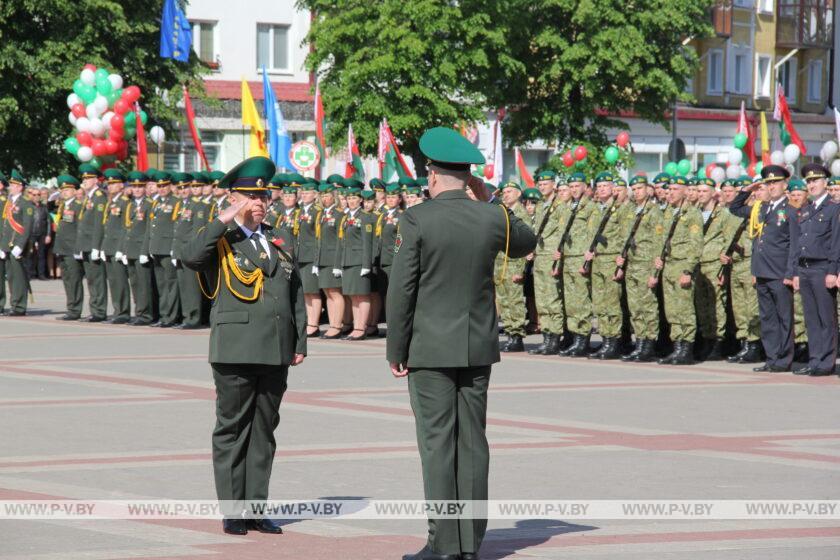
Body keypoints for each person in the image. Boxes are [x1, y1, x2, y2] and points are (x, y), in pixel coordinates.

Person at [386, 127, 536, 560]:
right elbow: (527, 242)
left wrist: (396, 349)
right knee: (473, 443)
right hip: (476, 347)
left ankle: (444, 543)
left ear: (432, 176)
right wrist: (490, 199)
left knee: (438, 443)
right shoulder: (491, 217)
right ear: (470, 177)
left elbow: (402, 291)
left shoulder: (416, 218)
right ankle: (470, 543)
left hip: (428, 348)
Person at [182, 156, 306, 536]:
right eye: (250, 197)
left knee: (264, 431)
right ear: (233, 200)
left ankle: (256, 507)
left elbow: (295, 291)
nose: (259, 203)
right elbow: (189, 257)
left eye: (263, 197)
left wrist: (299, 341)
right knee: (233, 429)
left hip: (275, 350)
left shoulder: (277, 239)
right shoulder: (221, 238)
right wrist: (224, 218)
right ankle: (233, 510)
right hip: (235, 348)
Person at [730, 165, 797, 373]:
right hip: (761, 271)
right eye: (768, 183)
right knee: (767, 318)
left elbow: (794, 244)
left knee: (784, 317)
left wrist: (790, 273)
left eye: (775, 183)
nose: (772, 186)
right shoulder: (761, 208)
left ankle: (784, 359)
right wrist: (747, 190)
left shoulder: (790, 209)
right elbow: (735, 208)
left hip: (779, 272)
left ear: (784, 184)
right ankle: (772, 357)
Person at [790, 163, 840, 376]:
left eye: (816, 181)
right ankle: (815, 360)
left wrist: (833, 270)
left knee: (825, 318)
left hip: (822, 268)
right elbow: (799, 241)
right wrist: (796, 272)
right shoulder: (806, 209)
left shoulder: (833, 208)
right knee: (811, 318)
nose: (811, 185)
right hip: (805, 268)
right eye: (809, 181)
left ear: (825, 183)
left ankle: (826, 362)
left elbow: (836, 242)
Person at [650, 176, 703, 365]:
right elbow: (661, 240)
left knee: (684, 309)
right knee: (672, 310)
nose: (670, 193)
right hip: (669, 265)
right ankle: (677, 347)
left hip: (682, 266)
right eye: (668, 190)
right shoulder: (668, 213)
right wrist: (658, 259)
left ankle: (686, 349)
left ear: (684, 191)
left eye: (674, 189)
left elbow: (696, 246)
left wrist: (688, 271)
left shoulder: (692, 213)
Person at [616, 175, 663, 362]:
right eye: (633, 189)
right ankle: (640, 342)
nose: (636, 192)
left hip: (646, 264)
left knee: (648, 306)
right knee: (635, 307)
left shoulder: (654, 211)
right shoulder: (630, 210)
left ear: (647, 190)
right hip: (632, 265)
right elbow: (624, 237)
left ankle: (649, 344)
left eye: (639, 189)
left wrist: (655, 271)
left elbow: (658, 241)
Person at [527, 171, 566, 355]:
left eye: (545, 184)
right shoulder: (541, 205)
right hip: (540, 256)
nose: (542, 187)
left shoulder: (560, 206)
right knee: (541, 300)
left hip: (552, 255)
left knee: (552, 299)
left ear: (553, 185)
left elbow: (563, 232)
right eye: (540, 184)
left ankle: (554, 338)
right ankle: (547, 336)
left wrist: (559, 254)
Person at [74, 164, 108, 321]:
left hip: (93, 244)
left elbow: (98, 224)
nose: (85, 181)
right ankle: (95, 309)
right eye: (84, 179)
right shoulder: (90, 197)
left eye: (88, 178)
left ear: (95, 180)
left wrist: (96, 247)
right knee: (92, 280)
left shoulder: (100, 197)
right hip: (86, 244)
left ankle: (99, 311)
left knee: (97, 279)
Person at [121, 172, 155, 326]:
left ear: (144, 188)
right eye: (134, 187)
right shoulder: (130, 204)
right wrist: (123, 250)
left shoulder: (149, 204)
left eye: (140, 187)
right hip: (130, 249)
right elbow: (126, 228)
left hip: (141, 249)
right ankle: (139, 312)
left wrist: (144, 251)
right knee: (134, 283)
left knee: (143, 285)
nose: (137, 190)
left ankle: (146, 314)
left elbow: (149, 229)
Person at [0, 170, 34, 315]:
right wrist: (2, 245)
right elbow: (5, 225)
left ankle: (19, 307)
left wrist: (20, 245)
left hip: (18, 246)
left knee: (19, 278)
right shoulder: (9, 202)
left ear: (20, 187)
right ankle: (15, 304)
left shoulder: (26, 203)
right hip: (7, 245)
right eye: (11, 185)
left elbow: (27, 227)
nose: (11, 187)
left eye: (14, 185)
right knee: (12, 277)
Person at [101, 169, 132, 324]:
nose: (110, 186)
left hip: (117, 248)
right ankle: (117, 310)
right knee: (113, 281)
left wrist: (121, 248)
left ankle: (123, 312)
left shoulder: (125, 202)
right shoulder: (112, 202)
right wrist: (102, 247)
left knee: (120, 281)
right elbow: (107, 227)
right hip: (108, 247)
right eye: (109, 184)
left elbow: (125, 228)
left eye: (113, 183)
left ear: (121, 185)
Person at [314, 182, 344, 338]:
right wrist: (316, 262)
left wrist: (338, 264)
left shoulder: (339, 214)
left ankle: (337, 325)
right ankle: (333, 324)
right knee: (328, 293)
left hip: (333, 259)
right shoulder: (321, 214)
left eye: (328, 195)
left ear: (334, 197)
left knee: (335, 293)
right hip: (323, 259)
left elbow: (340, 240)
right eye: (323, 196)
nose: (325, 198)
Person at [53, 175, 85, 320]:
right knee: (66, 280)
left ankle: (75, 310)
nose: (64, 192)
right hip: (62, 248)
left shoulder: (78, 206)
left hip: (72, 249)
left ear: (74, 190)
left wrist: (78, 249)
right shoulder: (62, 206)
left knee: (74, 280)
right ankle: (70, 307)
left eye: (68, 189)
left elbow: (80, 229)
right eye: (63, 189)